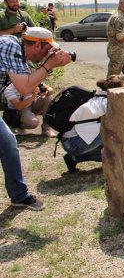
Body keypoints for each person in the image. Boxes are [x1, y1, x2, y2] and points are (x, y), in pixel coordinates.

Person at [0, 27, 71, 210]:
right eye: (49, 51)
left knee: (8, 144)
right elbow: (24, 88)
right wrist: (49, 65)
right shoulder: (10, 46)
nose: (50, 55)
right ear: (38, 44)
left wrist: (50, 67)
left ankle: (19, 196)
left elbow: (31, 83)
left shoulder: (20, 56)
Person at [61, 75, 124, 173]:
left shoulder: (98, 97)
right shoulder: (107, 104)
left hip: (69, 141)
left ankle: (73, 158)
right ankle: (75, 157)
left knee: (114, 152)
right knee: (117, 138)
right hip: (74, 143)